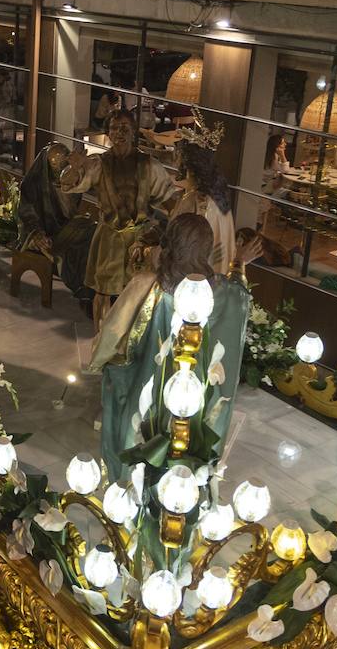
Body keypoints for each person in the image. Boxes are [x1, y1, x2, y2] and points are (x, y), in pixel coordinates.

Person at [86, 213, 254, 480]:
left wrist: (100, 359)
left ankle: (138, 486)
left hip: (150, 384)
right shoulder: (222, 292)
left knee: (144, 432)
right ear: (207, 248)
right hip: (195, 392)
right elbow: (240, 299)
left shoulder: (150, 284)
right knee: (189, 436)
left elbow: (112, 330)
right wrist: (239, 264)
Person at [65, 111, 177, 328]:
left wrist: (174, 233)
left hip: (142, 240)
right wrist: (76, 167)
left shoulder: (149, 165)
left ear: (134, 131)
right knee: (103, 291)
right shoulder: (98, 164)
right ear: (108, 133)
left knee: (138, 292)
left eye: (125, 127)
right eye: (115, 128)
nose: (120, 133)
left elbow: (170, 200)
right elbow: (69, 184)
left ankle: (131, 340)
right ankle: (101, 339)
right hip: (110, 237)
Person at [16, 142, 96, 294]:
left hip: (64, 226)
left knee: (93, 232)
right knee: (69, 251)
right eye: (54, 165)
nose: (59, 168)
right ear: (46, 164)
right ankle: (80, 286)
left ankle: (93, 282)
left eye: (62, 164)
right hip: (42, 232)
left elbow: (71, 211)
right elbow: (27, 212)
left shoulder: (69, 181)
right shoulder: (33, 184)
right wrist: (37, 233)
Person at [171, 141, 236, 274]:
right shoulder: (219, 196)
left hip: (195, 274)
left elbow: (179, 241)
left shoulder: (195, 201)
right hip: (219, 271)